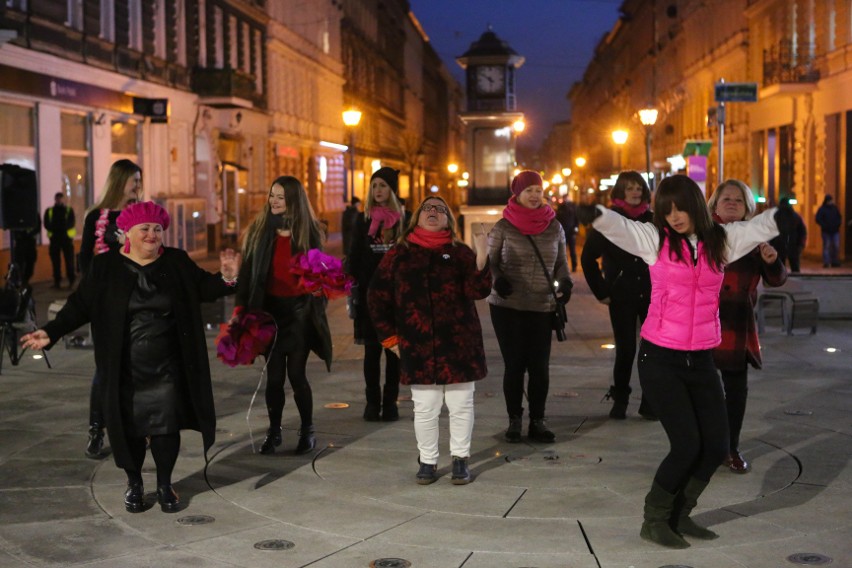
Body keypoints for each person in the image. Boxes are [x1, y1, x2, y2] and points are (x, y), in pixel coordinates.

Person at [576, 174, 780, 549]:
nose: (673, 216)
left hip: (702, 358)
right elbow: (621, 228)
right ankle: (654, 519)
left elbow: (758, 228)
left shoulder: (720, 242)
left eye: (680, 207)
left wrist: (785, 215)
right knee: (686, 444)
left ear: (696, 206)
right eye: (666, 209)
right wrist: (597, 213)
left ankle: (680, 515)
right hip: (660, 358)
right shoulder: (656, 241)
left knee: (717, 445)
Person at [21, 201, 240, 514]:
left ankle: (165, 484)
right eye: (144, 229)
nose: (152, 234)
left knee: (166, 426)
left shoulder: (176, 261)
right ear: (127, 233)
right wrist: (51, 332)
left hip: (167, 365)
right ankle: (134, 482)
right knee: (129, 429)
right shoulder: (106, 267)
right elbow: (80, 305)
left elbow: (205, 287)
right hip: (125, 366)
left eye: (157, 229)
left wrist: (228, 277)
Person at [368, 196, 491, 485]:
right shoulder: (399, 254)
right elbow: (376, 296)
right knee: (425, 407)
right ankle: (428, 460)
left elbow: (478, 290)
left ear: (448, 219)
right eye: (427, 208)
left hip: (459, 344)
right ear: (416, 218)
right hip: (418, 344)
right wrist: (390, 339)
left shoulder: (460, 253)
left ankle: (461, 459)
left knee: (461, 405)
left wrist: (482, 256)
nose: (433, 212)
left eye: (439, 209)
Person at [236, 175, 332, 456]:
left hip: (299, 314)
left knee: (297, 374)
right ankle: (274, 431)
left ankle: (307, 430)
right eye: (272, 195)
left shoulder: (310, 233)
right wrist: (241, 312)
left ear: (294, 201)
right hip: (269, 314)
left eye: (281, 197)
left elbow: (322, 276)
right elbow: (246, 277)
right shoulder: (259, 231)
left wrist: (319, 293)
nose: (274, 202)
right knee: (274, 377)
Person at [708, 180, 787, 474]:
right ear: (714, 204)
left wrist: (772, 261)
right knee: (703, 390)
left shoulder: (755, 240)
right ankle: (703, 446)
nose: (731, 203)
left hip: (736, 323)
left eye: (738, 200)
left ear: (747, 208)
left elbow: (777, 280)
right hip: (702, 321)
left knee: (736, 391)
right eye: (726, 198)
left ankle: (730, 448)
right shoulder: (703, 236)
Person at [487, 170, 571, 444]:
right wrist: (497, 280)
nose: (535, 196)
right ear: (517, 194)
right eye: (529, 191)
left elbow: (561, 263)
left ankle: (538, 420)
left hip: (542, 305)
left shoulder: (555, 226)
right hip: (507, 305)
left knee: (539, 367)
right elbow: (490, 263)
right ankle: (514, 419)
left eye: (538, 190)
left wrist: (565, 284)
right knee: (514, 365)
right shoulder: (503, 227)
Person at [78, 159, 143, 459]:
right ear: (120, 181)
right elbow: (84, 261)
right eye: (134, 181)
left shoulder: (140, 214)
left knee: (134, 366)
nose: (138, 186)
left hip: (135, 299)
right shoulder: (96, 216)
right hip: (105, 302)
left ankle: (132, 426)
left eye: (139, 181)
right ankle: (96, 430)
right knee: (105, 368)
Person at [581, 171, 654, 420]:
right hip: (621, 293)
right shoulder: (609, 221)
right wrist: (601, 291)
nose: (635, 193)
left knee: (652, 349)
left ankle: (650, 400)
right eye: (630, 188)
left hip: (652, 293)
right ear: (620, 192)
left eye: (639, 188)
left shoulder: (652, 219)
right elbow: (588, 258)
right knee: (626, 349)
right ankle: (620, 398)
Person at [346, 168, 407, 421]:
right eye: (374, 186)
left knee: (394, 353)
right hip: (369, 297)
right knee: (371, 352)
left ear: (392, 190)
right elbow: (354, 256)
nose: (378, 190)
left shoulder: (406, 218)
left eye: (383, 185)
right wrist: (352, 286)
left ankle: (390, 402)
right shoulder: (362, 220)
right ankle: (372, 402)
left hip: (397, 299)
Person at [43, 192, 76, 289]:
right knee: (55, 262)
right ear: (55, 200)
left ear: (63, 199)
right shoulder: (49, 211)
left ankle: (71, 280)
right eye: (58, 199)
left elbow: (71, 223)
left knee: (69, 261)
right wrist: (57, 228)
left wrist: (58, 228)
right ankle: (57, 281)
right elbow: (46, 224)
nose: (59, 201)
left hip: (66, 239)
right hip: (54, 240)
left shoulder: (69, 210)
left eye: (61, 199)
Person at [773, 195, 806, 273]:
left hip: (778, 244)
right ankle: (796, 280)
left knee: (779, 267)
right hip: (793, 243)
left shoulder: (775, 216)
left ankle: (780, 280)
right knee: (795, 265)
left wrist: (771, 244)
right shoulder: (795, 216)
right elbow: (802, 230)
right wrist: (801, 244)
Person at [11, 216, 41, 288]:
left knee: (30, 265)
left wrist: (28, 233)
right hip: (20, 242)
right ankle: (20, 283)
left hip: (30, 242)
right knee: (19, 264)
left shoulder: (33, 213)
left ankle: (24, 282)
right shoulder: (17, 213)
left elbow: (38, 227)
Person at [815, 194, 842, 267]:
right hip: (826, 231)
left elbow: (839, 217)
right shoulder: (822, 209)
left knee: (835, 246)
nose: (831, 202)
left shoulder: (834, 208)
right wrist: (824, 225)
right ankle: (826, 262)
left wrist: (837, 224)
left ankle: (834, 261)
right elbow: (818, 219)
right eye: (830, 200)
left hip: (835, 231)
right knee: (827, 246)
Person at [556, 196, 579, 272]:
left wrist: (575, 228)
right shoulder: (561, 207)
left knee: (572, 250)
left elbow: (576, 219)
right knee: (563, 251)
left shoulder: (573, 207)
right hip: (563, 232)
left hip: (571, 232)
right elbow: (557, 219)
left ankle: (574, 266)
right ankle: (564, 267)